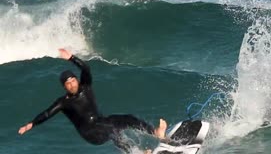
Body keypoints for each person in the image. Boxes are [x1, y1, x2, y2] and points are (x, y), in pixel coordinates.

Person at [18, 48, 167, 153]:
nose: (71, 84)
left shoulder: (86, 86)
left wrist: (71, 58)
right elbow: (47, 113)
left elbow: (86, 69)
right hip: (89, 133)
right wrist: (31, 124)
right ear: (65, 87)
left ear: (77, 80)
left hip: (100, 121)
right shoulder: (63, 102)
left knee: (127, 119)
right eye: (67, 83)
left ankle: (154, 133)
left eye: (73, 80)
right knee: (112, 130)